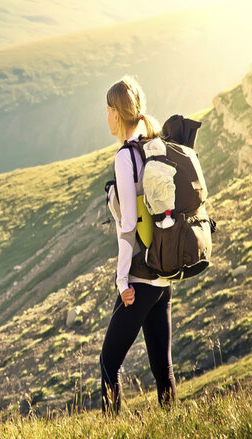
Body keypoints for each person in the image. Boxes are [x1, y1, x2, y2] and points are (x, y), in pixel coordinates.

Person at [100, 76, 176, 414]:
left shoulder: (125, 158)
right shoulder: (155, 146)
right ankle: (174, 426)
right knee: (162, 365)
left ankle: (112, 437)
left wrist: (122, 281)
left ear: (117, 113)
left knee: (108, 363)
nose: (106, 116)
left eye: (107, 109)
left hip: (141, 278)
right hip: (164, 276)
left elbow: (128, 224)